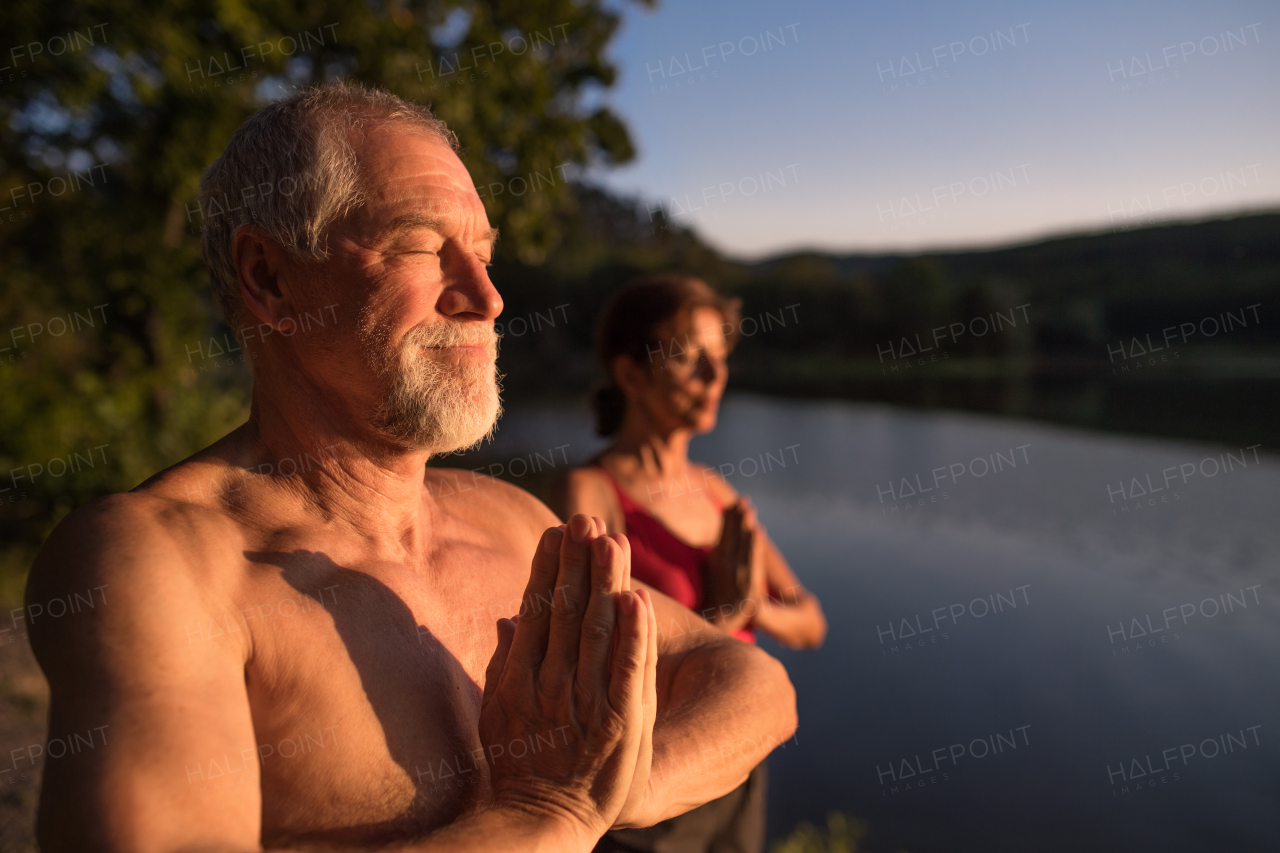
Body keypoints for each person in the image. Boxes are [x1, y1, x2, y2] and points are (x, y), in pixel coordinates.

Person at [23, 83, 797, 853]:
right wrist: (547, 812)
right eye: (422, 245)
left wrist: (618, 789)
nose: (488, 298)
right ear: (269, 278)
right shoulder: (161, 560)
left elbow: (749, 680)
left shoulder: (512, 519)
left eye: (486, 254)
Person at [551, 275, 827, 853]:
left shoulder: (716, 493)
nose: (714, 378)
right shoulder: (592, 494)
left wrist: (755, 610)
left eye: (720, 359)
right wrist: (720, 619)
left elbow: (811, 622)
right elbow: (587, 654)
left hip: (740, 755)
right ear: (630, 374)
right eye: (690, 359)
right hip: (652, 772)